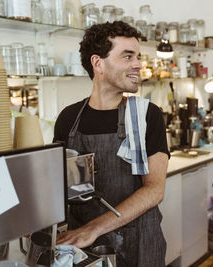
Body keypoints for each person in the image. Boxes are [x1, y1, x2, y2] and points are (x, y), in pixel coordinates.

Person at [53, 21, 169, 267]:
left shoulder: (147, 116)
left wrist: (93, 228)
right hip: (83, 246)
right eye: (127, 56)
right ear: (98, 63)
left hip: (140, 242)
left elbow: (154, 190)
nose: (138, 64)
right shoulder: (68, 118)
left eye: (138, 57)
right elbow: (60, 186)